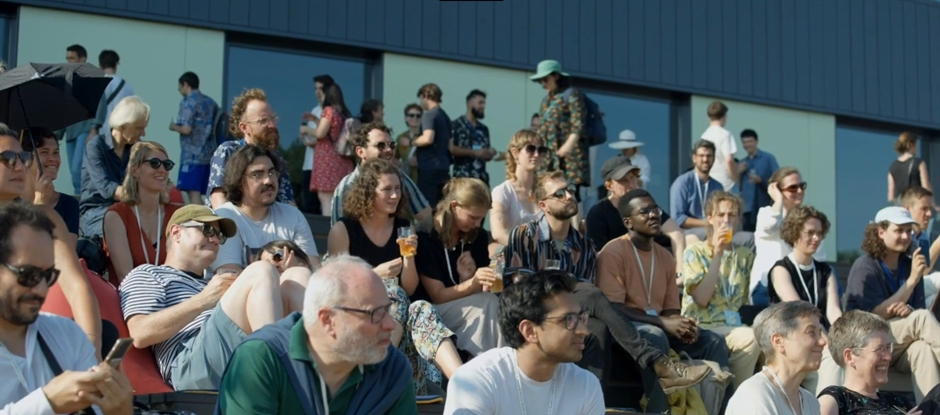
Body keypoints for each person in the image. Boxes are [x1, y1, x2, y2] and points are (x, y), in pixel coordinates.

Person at [513, 180, 712, 395]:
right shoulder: (525, 234)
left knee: (598, 327)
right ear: (543, 205)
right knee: (593, 295)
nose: (569, 196)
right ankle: (656, 362)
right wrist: (566, 285)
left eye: (570, 190)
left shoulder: (583, 244)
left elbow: (584, 293)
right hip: (534, 309)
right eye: (560, 193)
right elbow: (521, 287)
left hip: (572, 313)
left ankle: (594, 403)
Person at [119, 205, 312, 390]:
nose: (216, 240)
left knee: (297, 275)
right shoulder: (149, 273)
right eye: (208, 230)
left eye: (219, 235)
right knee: (261, 269)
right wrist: (204, 300)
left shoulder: (213, 283)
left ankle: (309, 373)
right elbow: (139, 333)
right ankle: (280, 372)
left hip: (230, 349)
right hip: (189, 364)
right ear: (177, 232)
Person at [216, 255, 417, 415]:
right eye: (375, 314)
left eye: (388, 310)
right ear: (328, 320)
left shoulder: (392, 368)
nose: (390, 325)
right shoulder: (262, 358)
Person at [327, 158, 462, 394]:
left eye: (398, 189)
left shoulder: (403, 227)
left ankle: (464, 383)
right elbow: (335, 290)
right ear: (368, 192)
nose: (394, 195)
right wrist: (374, 275)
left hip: (398, 342)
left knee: (421, 307)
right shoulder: (344, 230)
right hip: (360, 329)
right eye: (387, 189)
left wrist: (408, 258)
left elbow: (409, 289)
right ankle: (377, 373)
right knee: (392, 290)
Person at [0, 202, 134, 415]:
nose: (41, 289)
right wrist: (47, 402)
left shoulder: (68, 336)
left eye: (48, 275)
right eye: (29, 275)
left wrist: (120, 411)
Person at [596, 188, 726, 395]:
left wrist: (681, 324)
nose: (654, 215)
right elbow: (613, 308)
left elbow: (670, 309)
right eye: (644, 212)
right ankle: (660, 407)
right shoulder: (613, 252)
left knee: (714, 341)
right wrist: (663, 323)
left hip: (656, 324)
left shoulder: (665, 256)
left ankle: (721, 406)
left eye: (655, 210)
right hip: (626, 330)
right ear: (628, 222)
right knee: (656, 335)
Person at [0, 124, 103, 354]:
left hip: (30, 342)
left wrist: (91, 350)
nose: (20, 166)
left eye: (23, 157)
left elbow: (76, 286)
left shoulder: (45, 217)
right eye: (8, 158)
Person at [442, 270, 605, 414]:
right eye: (569, 319)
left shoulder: (586, 385)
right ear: (529, 331)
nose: (584, 331)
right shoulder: (477, 381)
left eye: (581, 318)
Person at [844, 206, 940, 401]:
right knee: (921, 318)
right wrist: (912, 281)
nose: (905, 236)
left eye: (909, 231)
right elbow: (871, 317)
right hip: (866, 341)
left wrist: (908, 309)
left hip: (897, 343)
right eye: (899, 230)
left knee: (922, 349)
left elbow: (918, 310)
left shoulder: (909, 264)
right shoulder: (865, 266)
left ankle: (931, 408)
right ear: (881, 232)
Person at [413, 178, 505, 355]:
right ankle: (492, 363)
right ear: (454, 206)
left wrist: (470, 278)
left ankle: (492, 362)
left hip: (468, 307)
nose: (477, 224)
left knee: (493, 302)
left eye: (482, 218)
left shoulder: (476, 235)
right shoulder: (426, 236)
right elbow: (438, 296)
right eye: (473, 217)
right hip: (432, 315)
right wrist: (472, 283)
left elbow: (481, 289)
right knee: (487, 303)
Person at [681, 191, 761, 390]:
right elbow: (701, 298)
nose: (726, 220)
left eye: (732, 215)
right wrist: (717, 253)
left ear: (738, 219)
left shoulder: (745, 255)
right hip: (702, 324)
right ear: (710, 218)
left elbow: (743, 300)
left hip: (733, 324)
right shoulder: (695, 252)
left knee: (773, 344)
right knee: (749, 338)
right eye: (721, 215)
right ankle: (738, 399)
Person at [766, 205, 842, 394]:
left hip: (819, 341)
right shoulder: (781, 269)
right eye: (810, 233)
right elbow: (801, 314)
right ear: (794, 233)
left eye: (819, 233)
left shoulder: (826, 271)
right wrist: (826, 341)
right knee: (832, 359)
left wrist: (846, 336)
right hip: (792, 340)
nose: (816, 238)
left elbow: (834, 311)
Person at [210, 145, 320, 274]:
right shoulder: (225, 218)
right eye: (257, 175)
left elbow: (313, 269)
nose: (268, 180)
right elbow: (228, 275)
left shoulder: (293, 216)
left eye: (272, 173)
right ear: (239, 182)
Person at [586, 156, 686, 274]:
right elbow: (600, 257)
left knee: (692, 240)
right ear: (609, 186)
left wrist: (679, 273)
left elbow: (676, 233)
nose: (631, 185)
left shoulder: (645, 203)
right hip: (625, 271)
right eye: (624, 180)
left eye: (633, 178)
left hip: (659, 261)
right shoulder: (598, 214)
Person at [726, 301, 826, 415]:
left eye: (820, 333)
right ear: (778, 341)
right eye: (811, 333)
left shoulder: (811, 401)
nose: (822, 341)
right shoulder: (755, 395)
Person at [103, 141, 181, 285]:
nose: (162, 169)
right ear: (135, 171)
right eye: (155, 163)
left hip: (173, 293)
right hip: (131, 295)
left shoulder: (178, 215)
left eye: (167, 165)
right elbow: (125, 277)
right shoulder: (116, 216)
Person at [207, 88, 295, 208]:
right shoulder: (228, 151)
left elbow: (288, 203)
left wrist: (297, 219)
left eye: (273, 118)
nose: (272, 125)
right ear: (244, 128)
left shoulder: (277, 158)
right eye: (263, 120)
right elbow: (219, 199)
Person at [330, 121, 431, 226]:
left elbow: (426, 216)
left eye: (391, 145)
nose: (388, 150)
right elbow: (339, 230)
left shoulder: (399, 177)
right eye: (381, 145)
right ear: (361, 152)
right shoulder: (347, 186)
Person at [752, 167, 827, 305]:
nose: (799, 191)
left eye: (802, 186)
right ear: (778, 191)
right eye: (792, 188)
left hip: (802, 286)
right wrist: (778, 200)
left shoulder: (811, 222)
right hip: (767, 287)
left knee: (831, 278)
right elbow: (771, 224)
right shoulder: (766, 213)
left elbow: (819, 259)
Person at [818, 310, 917, 415]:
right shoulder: (836, 400)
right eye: (879, 349)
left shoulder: (898, 402)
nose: (888, 357)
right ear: (850, 356)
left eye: (888, 348)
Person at [80, 96, 149, 238]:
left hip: (126, 209)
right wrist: (142, 196)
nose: (143, 133)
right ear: (122, 126)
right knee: (122, 231)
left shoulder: (136, 148)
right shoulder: (96, 146)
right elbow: (106, 187)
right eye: (139, 128)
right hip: (96, 210)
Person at [530, 60, 590, 215]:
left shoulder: (572, 94)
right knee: (550, 192)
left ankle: (576, 228)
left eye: (545, 79)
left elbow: (578, 124)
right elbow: (542, 129)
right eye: (540, 81)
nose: (543, 84)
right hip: (551, 157)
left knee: (572, 192)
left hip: (571, 158)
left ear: (556, 76)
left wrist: (567, 146)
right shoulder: (546, 101)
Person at [20, 127, 80, 241]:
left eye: (56, 152)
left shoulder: (69, 204)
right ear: (26, 158)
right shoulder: (9, 203)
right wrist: (40, 204)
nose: (53, 159)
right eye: (44, 152)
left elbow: (69, 248)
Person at [490, 129, 545, 246]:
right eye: (531, 149)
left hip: (545, 254)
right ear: (515, 153)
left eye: (540, 150)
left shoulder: (546, 190)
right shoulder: (503, 191)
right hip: (515, 253)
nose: (536, 154)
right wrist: (525, 250)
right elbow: (498, 233)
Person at [170, 71, 218, 205]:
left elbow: (186, 129)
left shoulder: (188, 102)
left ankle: (198, 219)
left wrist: (173, 126)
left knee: (193, 193)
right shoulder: (210, 102)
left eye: (180, 86)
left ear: (186, 85)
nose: (179, 90)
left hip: (192, 156)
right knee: (203, 195)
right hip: (208, 154)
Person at [309, 83, 355, 216]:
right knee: (339, 201)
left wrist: (306, 129)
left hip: (328, 161)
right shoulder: (343, 113)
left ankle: (329, 228)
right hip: (342, 160)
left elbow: (320, 133)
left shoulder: (328, 110)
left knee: (326, 197)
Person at [412, 84, 453, 206]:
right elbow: (450, 146)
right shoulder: (445, 116)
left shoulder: (429, 115)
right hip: (443, 167)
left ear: (425, 96)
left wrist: (411, 142)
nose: (421, 102)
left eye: (421, 98)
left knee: (425, 205)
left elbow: (428, 138)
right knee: (441, 206)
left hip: (429, 167)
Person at [450, 89, 498, 185]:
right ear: (470, 103)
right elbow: (452, 149)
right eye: (480, 103)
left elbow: (484, 152)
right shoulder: (456, 125)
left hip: (481, 181)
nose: (483, 106)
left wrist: (489, 153)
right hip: (463, 179)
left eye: (484, 103)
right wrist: (474, 152)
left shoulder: (483, 129)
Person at [888, 132, 932, 202]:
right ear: (911, 145)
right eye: (916, 145)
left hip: (901, 204)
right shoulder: (919, 163)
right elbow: (926, 186)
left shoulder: (892, 166)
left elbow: (891, 195)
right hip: (915, 202)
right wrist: (931, 204)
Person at [395, 103, 421, 182]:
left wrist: (420, 162)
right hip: (406, 178)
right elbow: (394, 157)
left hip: (422, 178)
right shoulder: (400, 137)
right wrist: (402, 164)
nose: (415, 118)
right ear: (406, 118)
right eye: (411, 115)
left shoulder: (425, 137)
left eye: (418, 116)